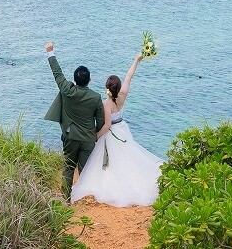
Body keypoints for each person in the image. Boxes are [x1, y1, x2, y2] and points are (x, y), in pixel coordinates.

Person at [70, 50, 163, 206]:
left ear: (106, 88)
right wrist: (137, 60)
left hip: (112, 133)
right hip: (123, 129)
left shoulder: (106, 104)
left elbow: (106, 126)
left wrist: (96, 136)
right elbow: (129, 76)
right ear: (118, 88)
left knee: (110, 162)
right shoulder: (122, 96)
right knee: (127, 157)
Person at [43, 42, 105, 198]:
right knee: (85, 169)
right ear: (90, 80)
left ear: (75, 79)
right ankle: (85, 197)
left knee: (69, 167)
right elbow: (101, 121)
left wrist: (50, 52)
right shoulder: (96, 97)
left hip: (70, 136)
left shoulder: (67, 90)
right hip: (88, 138)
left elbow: (57, 73)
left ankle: (66, 198)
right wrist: (95, 135)